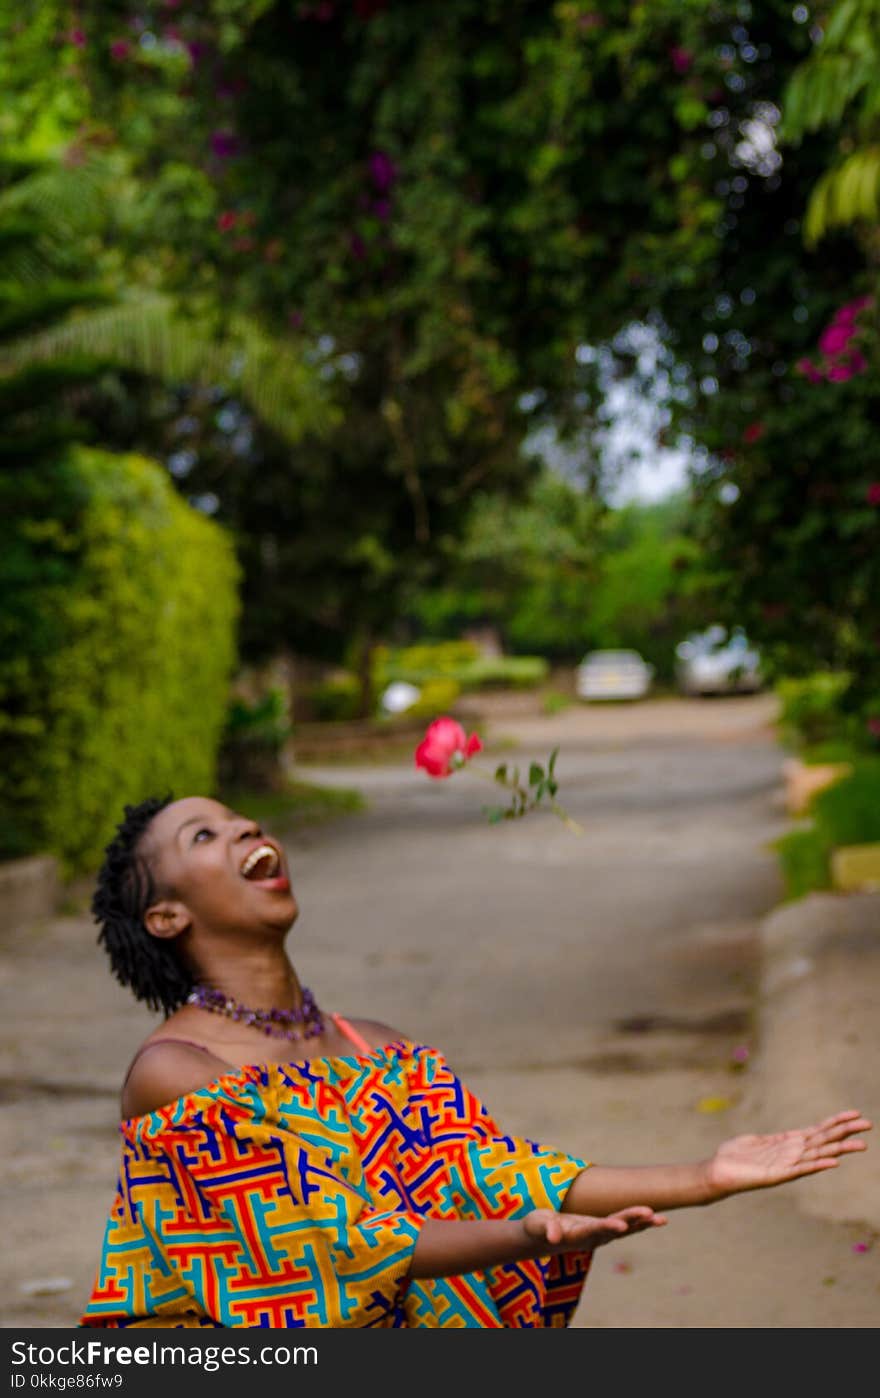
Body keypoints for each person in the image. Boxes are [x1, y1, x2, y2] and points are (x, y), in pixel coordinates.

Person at [80, 794, 871, 1329]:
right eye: (205, 836)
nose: (246, 829)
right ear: (166, 915)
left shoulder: (378, 1048)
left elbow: (497, 1174)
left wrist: (705, 1177)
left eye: (240, 819)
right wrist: (528, 1235)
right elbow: (342, 1247)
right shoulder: (177, 1075)